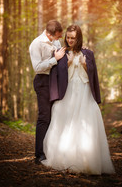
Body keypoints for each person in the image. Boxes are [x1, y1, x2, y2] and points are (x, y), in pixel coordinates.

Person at [42, 24, 115, 174]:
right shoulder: (60, 52)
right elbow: (55, 74)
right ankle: (65, 158)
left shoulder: (88, 53)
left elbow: (93, 75)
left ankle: (85, 159)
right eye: (68, 37)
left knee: (85, 121)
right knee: (64, 119)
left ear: (79, 38)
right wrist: (67, 64)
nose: (69, 40)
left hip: (84, 90)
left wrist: (85, 65)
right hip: (67, 91)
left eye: (73, 38)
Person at [29, 20, 66, 164]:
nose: (58, 40)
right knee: (44, 117)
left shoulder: (55, 42)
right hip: (42, 82)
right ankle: (39, 154)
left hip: (54, 81)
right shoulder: (36, 44)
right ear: (49, 34)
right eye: (57, 37)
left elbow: (62, 52)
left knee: (55, 116)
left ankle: (51, 151)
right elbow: (37, 68)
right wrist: (54, 60)